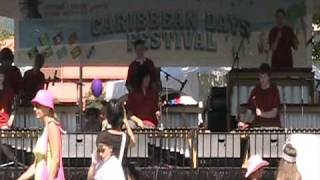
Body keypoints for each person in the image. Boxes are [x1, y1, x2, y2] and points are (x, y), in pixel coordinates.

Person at [18, 90, 65, 180]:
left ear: (47, 107)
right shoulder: (46, 129)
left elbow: (56, 159)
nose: (34, 109)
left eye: (37, 106)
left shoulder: (52, 126)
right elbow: (36, 166)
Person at [100, 99, 136, 179]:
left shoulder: (103, 136)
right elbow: (133, 142)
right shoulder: (124, 137)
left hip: (107, 175)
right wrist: (126, 121)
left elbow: (99, 143)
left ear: (108, 116)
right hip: (121, 174)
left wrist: (103, 126)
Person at [238, 63, 281, 129]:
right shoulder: (255, 91)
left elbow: (274, 113)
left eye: (264, 77)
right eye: (261, 77)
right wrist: (243, 122)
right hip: (258, 126)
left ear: (269, 77)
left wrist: (261, 114)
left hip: (273, 126)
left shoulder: (274, 90)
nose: (262, 79)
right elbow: (249, 111)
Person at [0, 48, 22, 129]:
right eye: (3, 61)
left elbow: (19, 93)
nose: (5, 64)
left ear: (11, 60)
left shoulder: (15, 71)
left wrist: (12, 116)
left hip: (10, 105)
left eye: (7, 60)